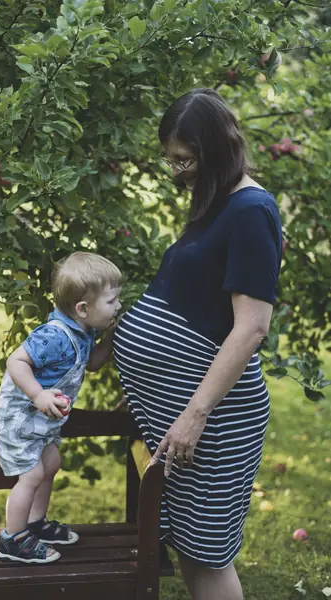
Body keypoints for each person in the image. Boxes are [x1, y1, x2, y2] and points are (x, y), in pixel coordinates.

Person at [114, 88, 283, 600]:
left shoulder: (251, 209)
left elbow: (252, 328)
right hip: (183, 406)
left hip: (216, 418)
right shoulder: (218, 206)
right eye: (171, 159)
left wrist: (194, 413)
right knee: (189, 547)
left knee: (207, 555)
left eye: (184, 160)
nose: (176, 172)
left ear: (215, 149)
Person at [0, 252, 122, 564]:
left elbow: (91, 365)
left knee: (51, 463)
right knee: (33, 473)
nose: (118, 306)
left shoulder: (84, 332)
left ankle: (35, 524)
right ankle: (13, 540)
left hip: (40, 423)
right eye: (112, 301)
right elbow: (16, 361)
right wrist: (39, 395)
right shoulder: (54, 336)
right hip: (19, 420)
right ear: (83, 309)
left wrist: (114, 337)